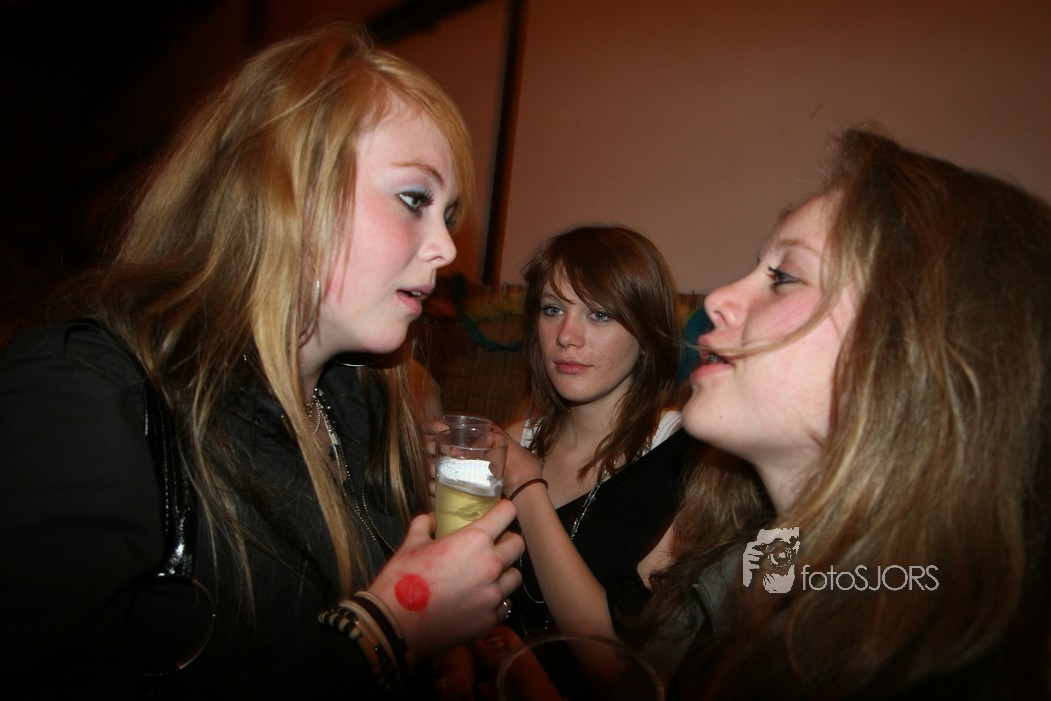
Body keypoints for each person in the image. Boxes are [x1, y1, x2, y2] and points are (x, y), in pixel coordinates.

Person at [0, 23, 523, 699]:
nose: (446, 249)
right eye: (414, 199)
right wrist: (387, 629)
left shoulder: (360, 398)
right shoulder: (83, 397)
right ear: (286, 187)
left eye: (447, 215)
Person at [635, 127, 1051, 698]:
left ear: (913, 347)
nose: (718, 300)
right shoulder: (757, 559)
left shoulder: (933, 667)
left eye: (785, 277)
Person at [501, 225, 701, 641]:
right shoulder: (513, 441)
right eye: (552, 309)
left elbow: (616, 661)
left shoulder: (683, 457)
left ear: (647, 335)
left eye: (599, 314)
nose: (566, 336)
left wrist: (524, 485)